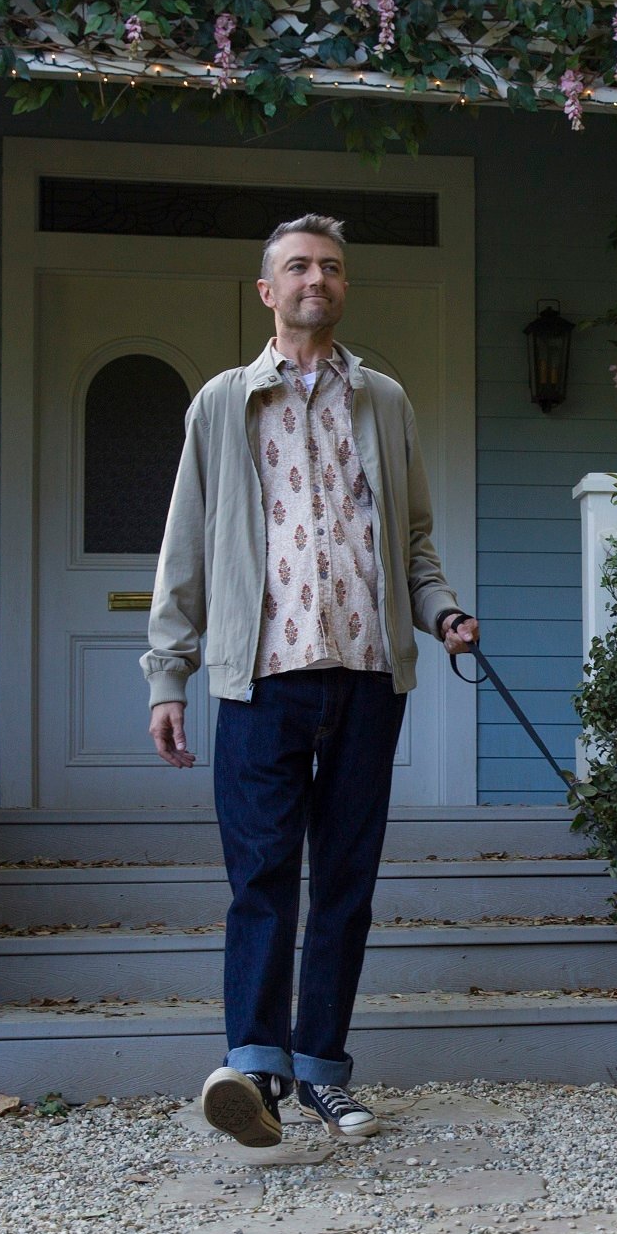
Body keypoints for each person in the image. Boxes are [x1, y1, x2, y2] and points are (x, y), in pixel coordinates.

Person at [141, 213, 478, 1148]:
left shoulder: (386, 401)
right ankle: (255, 1066)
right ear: (267, 290)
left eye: (330, 267)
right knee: (261, 879)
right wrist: (169, 674)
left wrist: (441, 612)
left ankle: (323, 1069)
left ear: (344, 285)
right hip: (261, 678)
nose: (315, 280)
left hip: (369, 674)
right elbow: (186, 549)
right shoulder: (221, 403)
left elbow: (412, 539)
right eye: (297, 267)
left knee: (344, 881)